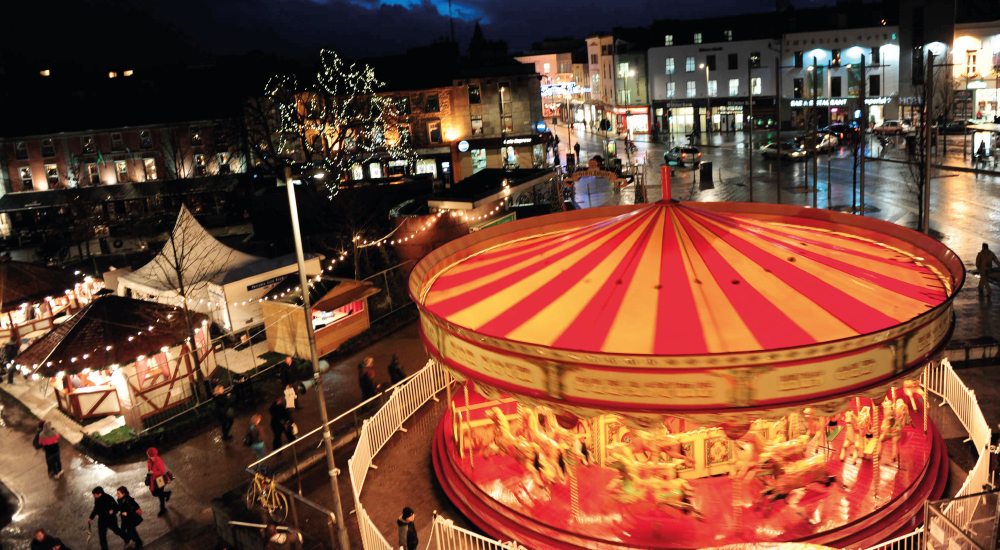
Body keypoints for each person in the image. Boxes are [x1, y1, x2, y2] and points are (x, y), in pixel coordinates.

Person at [145, 448, 172, 516]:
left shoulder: (157, 461)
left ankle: (163, 509)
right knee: (155, 493)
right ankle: (167, 494)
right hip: (153, 480)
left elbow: (162, 472)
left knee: (159, 495)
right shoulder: (150, 460)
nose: (147, 455)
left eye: (148, 454)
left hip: (159, 480)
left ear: (152, 454)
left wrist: (153, 472)